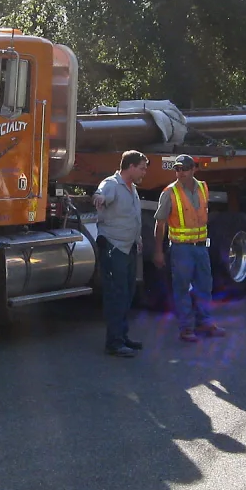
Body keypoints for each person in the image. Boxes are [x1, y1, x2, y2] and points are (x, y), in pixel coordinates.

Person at [153, 155, 225, 343]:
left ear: (194, 169)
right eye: (177, 169)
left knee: (204, 286)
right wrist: (158, 251)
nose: (180, 172)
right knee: (182, 288)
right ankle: (186, 328)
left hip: (201, 248)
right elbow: (160, 224)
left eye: (184, 169)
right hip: (181, 249)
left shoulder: (202, 187)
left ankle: (205, 322)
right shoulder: (170, 192)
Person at [94, 150, 149, 357]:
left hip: (129, 247)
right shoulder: (111, 184)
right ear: (131, 167)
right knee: (116, 295)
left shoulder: (132, 187)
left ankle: (122, 336)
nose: (144, 172)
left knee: (127, 293)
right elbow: (101, 195)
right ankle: (114, 343)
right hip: (114, 247)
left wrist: (138, 240)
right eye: (142, 168)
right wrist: (98, 197)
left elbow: (133, 217)